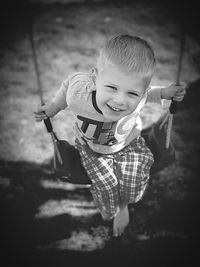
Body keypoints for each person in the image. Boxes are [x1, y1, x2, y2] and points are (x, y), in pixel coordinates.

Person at [34, 34, 186, 237]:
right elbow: (68, 86)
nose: (120, 101)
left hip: (129, 143)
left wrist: (164, 93)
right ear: (95, 78)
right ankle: (114, 210)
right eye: (112, 87)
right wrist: (53, 107)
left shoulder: (140, 96)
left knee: (134, 184)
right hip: (91, 148)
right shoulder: (80, 96)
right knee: (106, 186)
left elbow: (148, 93)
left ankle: (124, 206)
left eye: (132, 93)